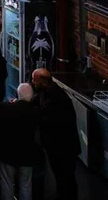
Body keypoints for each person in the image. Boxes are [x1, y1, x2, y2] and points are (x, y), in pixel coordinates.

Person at [0, 83, 40, 200]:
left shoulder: (8, 107)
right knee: (26, 185)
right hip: (27, 154)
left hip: (7, 154)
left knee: (7, 183)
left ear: (18, 95)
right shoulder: (35, 111)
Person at [32, 68, 80, 200]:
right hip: (54, 145)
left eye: (34, 80)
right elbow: (35, 102)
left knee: (66, 177)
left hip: (64, 146)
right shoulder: (46, 91)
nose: (32, 83)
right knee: (59, 175)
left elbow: (45, 115)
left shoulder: (58, 98)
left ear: (42, 81)